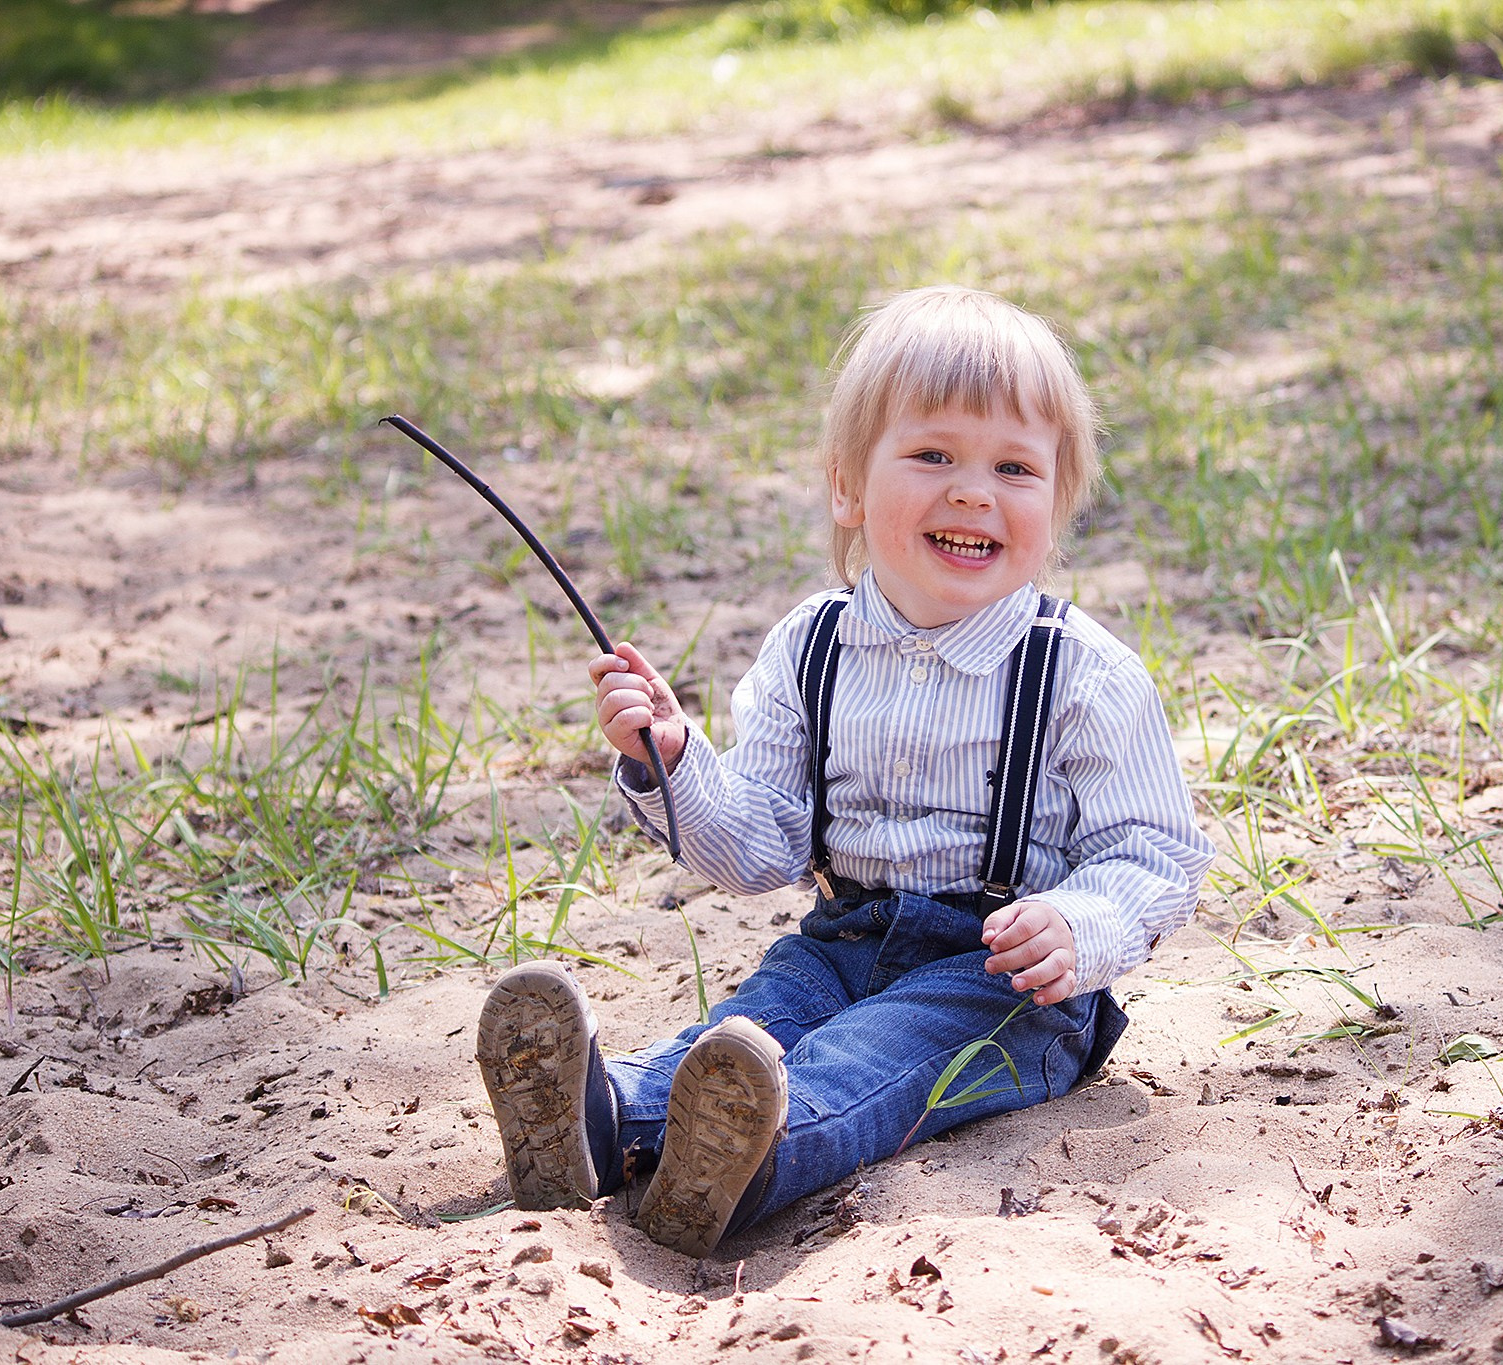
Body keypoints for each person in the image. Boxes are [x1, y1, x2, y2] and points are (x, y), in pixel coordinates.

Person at [475, 285, 1214, 1258]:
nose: (972, 490)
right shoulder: (811, 649)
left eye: (1014, 467)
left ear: (1056, 499)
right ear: (848, 488)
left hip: (1001, 978)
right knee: (746, 1033)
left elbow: (1153, 850)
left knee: (873, 1060)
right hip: (843, 934)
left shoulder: (1079, 672)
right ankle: (601, 1118)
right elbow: (759, 843)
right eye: (932, 455)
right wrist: (672, 761)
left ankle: (745, 1166)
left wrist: (1080, 925)